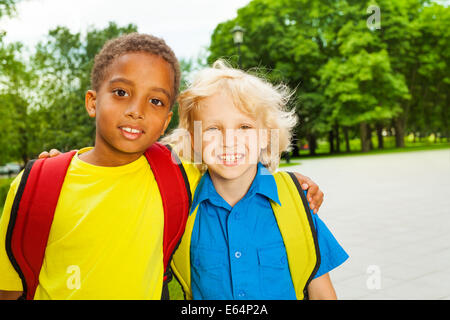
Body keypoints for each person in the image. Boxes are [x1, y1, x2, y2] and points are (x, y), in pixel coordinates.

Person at [0, 34, 323, 300]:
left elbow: (235, 172)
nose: (136, 110)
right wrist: (51, 169)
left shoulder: (177, 176)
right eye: (121, 92)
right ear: (92, 101)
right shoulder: (39, 185)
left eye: (155, 101)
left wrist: (291, 183)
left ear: (167, 119)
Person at [165, 60, 348, 300]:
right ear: (194, 140)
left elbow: (322, 293)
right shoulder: (182, 213)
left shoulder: (297, 203)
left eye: (244, 126)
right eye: (212, 129)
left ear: (265, 136)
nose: (229, 141)